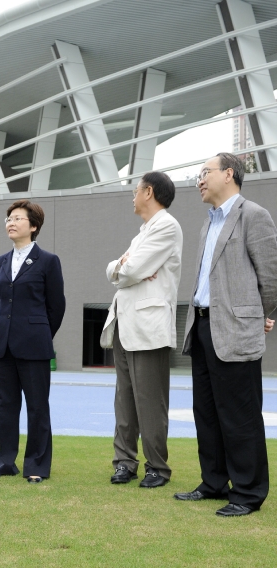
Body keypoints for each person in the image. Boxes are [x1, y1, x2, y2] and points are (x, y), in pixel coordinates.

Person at [174, 152, 277, 516]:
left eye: (205, 172)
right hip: (202, 326)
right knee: (208, 411)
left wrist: (259, 315)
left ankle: (248, 493)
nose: (199, 180)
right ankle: (214, 482)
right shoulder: (207, 224)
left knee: (240, 414)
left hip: (236, 330)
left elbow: (271, 278)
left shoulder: (253, 216)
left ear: (228, 174)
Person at [101, 171, 183, 488]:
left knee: (150, 401)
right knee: (124, 400)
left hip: (148, 326)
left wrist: (125, 266)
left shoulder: (166, 226)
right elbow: (122, 271)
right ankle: (125, 462)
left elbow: (130, 268)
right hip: (125, 322)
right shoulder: (142, 233)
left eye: (135, 190)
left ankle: (157, 467)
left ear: (148, 192)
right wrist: (123, 267)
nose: (132, 196)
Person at [0, 200, 65, 483]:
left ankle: (37, 465)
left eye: (18, 218)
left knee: (36, 406)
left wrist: (40, 332)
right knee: (6, 405)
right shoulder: (0, 261)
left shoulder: (48, 260)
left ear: (33, 226)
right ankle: (6, 460)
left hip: (34, 344)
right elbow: (0, 303)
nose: (11, 222)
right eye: (8, 218)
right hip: (3, 344)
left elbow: (56, 306)